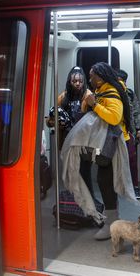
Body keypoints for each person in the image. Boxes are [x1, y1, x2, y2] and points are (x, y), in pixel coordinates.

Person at [84, 62, 133, 240]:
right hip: (105, 141)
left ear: (101, 76)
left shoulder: (111, 92)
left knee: (104, 181)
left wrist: (94, 104)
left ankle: (111, 223)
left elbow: (114, 117)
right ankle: (113, 221)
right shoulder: (104, 90)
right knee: (105, 181)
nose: (90, 79)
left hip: (112, 143)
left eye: (92, 76)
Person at [46, 66, 93, 194]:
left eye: (80, 81)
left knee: (85, 175)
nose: (77, 84)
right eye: (74, 81)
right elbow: (50, 119)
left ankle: (90, 207)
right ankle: (74, 205)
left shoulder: (89, 96)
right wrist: (53, 122)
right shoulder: (63, 97)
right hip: (67, 141)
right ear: (69, 82)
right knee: (70, 174)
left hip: (84, 143)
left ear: (84, 82)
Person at [117, 69, 140, 199]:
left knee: (132, 160)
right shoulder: (112, 94)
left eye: (124, 81)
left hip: (130, 131)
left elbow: (136, 112)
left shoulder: (130, 94)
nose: (123, 84)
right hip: (116, 133)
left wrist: (139, 129)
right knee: (118, 161)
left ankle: (135, 186)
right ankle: (121, 186)